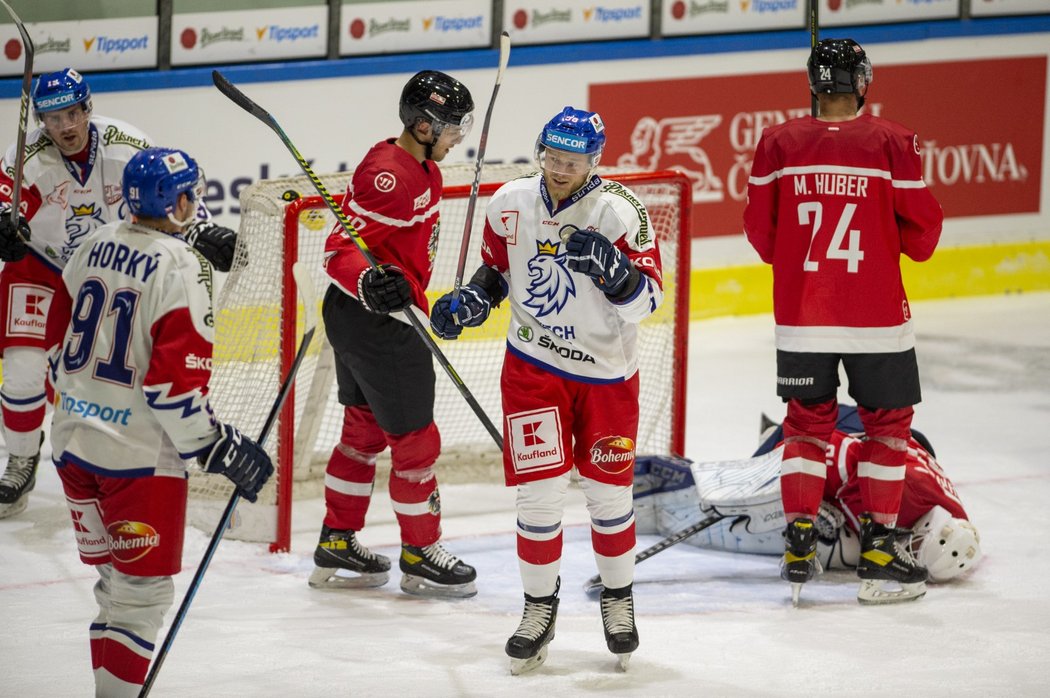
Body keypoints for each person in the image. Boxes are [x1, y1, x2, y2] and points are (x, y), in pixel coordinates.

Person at [430, 106, 665, 672]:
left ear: (594, 161)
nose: (560, 169)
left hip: (606, 378)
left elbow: (648, 302)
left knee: (608, 497)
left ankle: (618, 599)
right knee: (538, 495)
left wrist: (614, 270)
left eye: (573, 160)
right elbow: (497, 273)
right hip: (532, 370)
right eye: (553, 157)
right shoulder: (510, 201)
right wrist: (472, 301)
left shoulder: (621, 214)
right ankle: (539, 608)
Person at [44, 147, 273, 697]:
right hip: (136, 463)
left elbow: (53, 346)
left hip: (72, 445)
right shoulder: (183, 266)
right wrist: (216, 446)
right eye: (191, 194)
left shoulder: (91, 243)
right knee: (140, 596)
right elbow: (172, 391)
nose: (197, 203)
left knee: (114, 587)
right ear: (176, 203)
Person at [742, 38, 945, 605]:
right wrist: (883, 245)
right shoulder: (893, 141)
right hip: (876, 314)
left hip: (802, 314)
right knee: (887, 427)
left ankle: (800, 541)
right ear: (861, 81)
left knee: (805, 426)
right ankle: (879, 548)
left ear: (813, 83)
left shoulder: (776, 142)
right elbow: (923, 234)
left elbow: (762, 234)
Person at [0, 68, 238, 519]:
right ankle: (21, 458)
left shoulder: (126, 142)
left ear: (87, 108)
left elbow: (171, 190)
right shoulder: (26, 154)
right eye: (53, 119)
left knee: (105, 373)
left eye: (72, 114)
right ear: (41, 123)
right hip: (40, 266)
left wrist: (201, 229)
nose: (65, 127)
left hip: (102, 269)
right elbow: (3, 197)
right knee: (24, 371)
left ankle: (108, 455)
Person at [308, 70, 479, 599]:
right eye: (452, 128)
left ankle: (337, 539)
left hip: (365, 318)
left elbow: (394, 251)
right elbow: (339, 249)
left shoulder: (423, 166)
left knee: (362, 431)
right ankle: (420, 551)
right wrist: (367, 279)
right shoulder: (392, 176)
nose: (459, 137)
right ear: (423, 125)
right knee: (415, 441)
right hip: (378, 322)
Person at [636, 407, 981, 592]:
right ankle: (659, 473)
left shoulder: (951, 517)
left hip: (876, 438)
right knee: (776, 480)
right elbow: (824, 446)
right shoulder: (909, 491)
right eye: (918, 543)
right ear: (930, 525)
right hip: (836, 434)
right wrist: (808, 503)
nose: (912, 548)